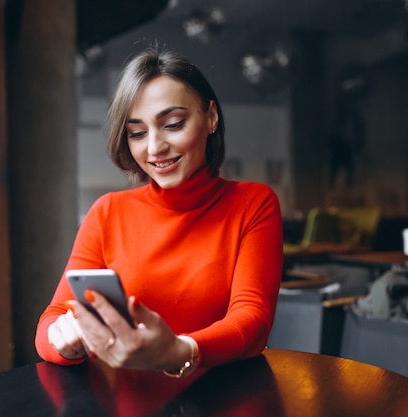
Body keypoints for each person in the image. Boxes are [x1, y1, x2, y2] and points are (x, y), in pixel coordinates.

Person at [35, 46, 283, 378]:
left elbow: (253, 320)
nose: (154, 148)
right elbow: (52, 318)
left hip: (219, 398)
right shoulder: (108, 212)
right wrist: (61, 339)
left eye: (173, 124)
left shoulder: (253, 203)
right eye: (137, 133)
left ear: (211, 117)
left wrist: (180, 353)